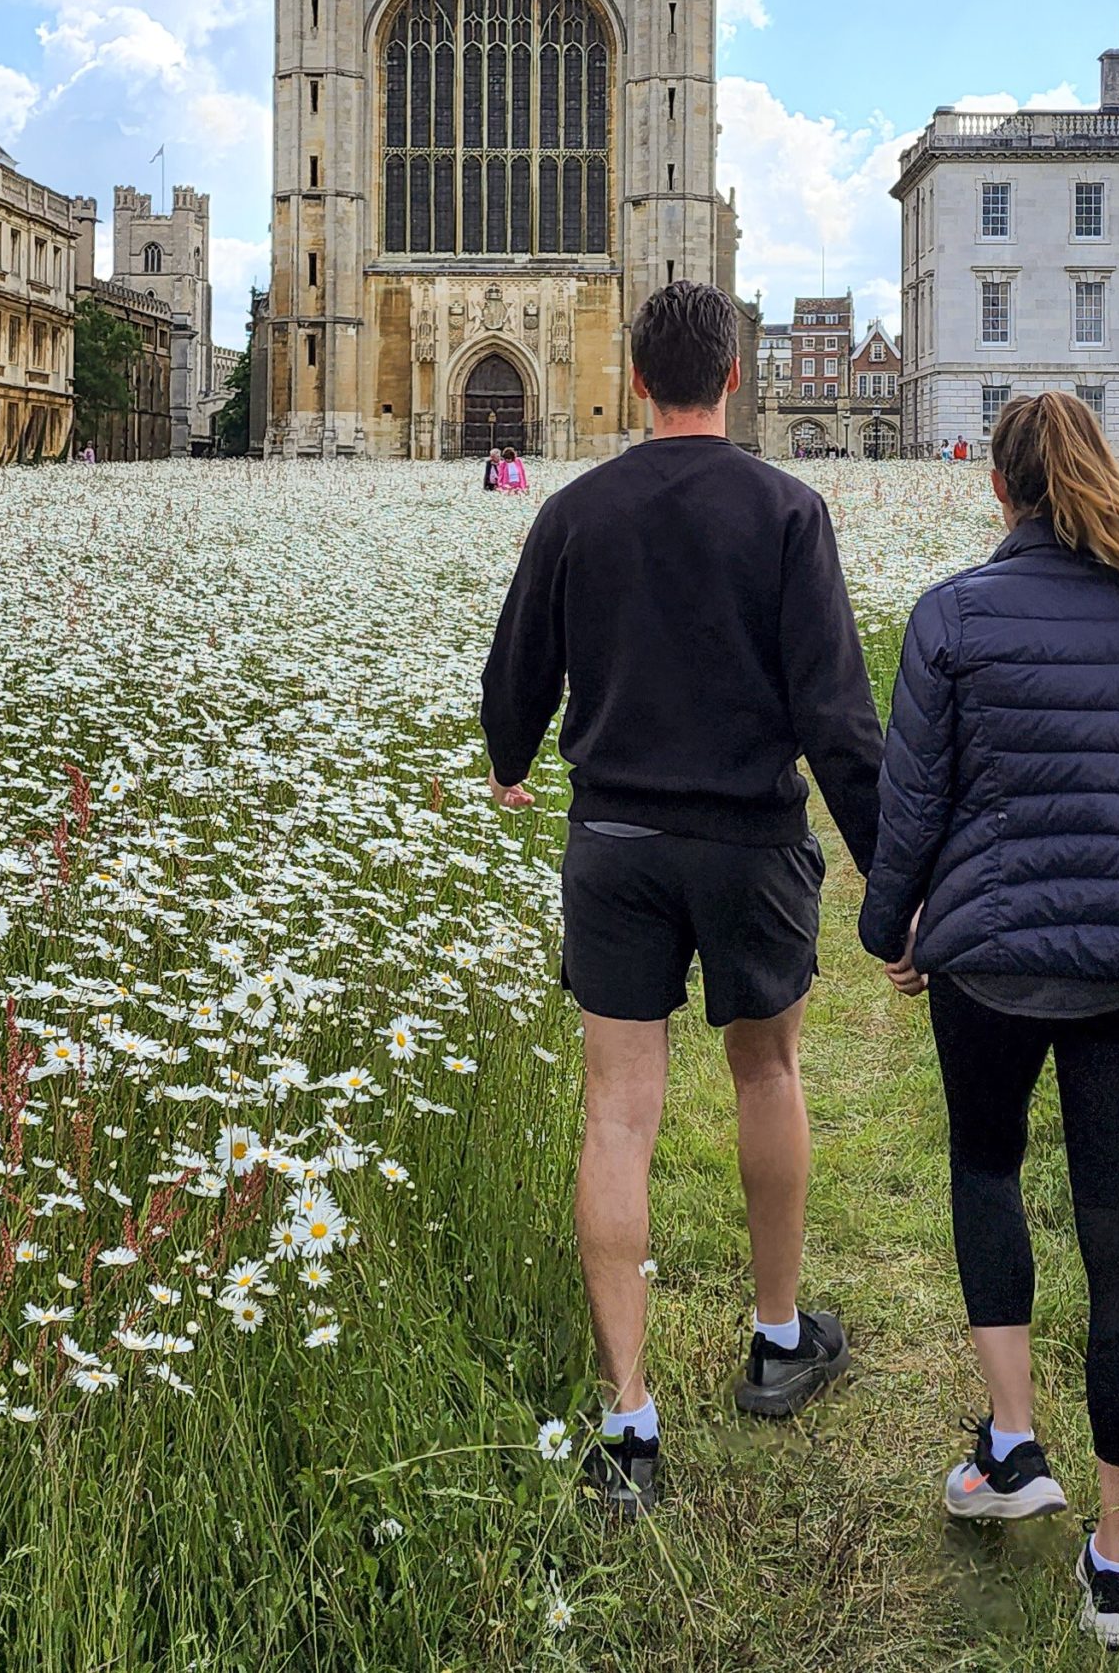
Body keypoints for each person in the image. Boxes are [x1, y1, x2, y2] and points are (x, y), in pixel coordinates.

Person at [857, 392, 1119, 1650]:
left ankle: (1010, 1443)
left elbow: (912, 801)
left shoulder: (952, 615)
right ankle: (1116, 1559)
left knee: (985, 1169)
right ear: (1099, 477)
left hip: (988, 956)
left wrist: (890, 929)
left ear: (999, 490)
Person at [481, 280, 884, 1516]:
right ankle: (775, 1340)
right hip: (749, 838)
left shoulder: (574, 512)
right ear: (735, 377)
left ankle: (629, 1418)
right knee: (766, 1074)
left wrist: (509, 759)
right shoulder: (787, 509)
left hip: (614, 837)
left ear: (639, 382)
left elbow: (513, 683)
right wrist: (893, 881)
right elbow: (834, 715)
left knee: (618, 1115)